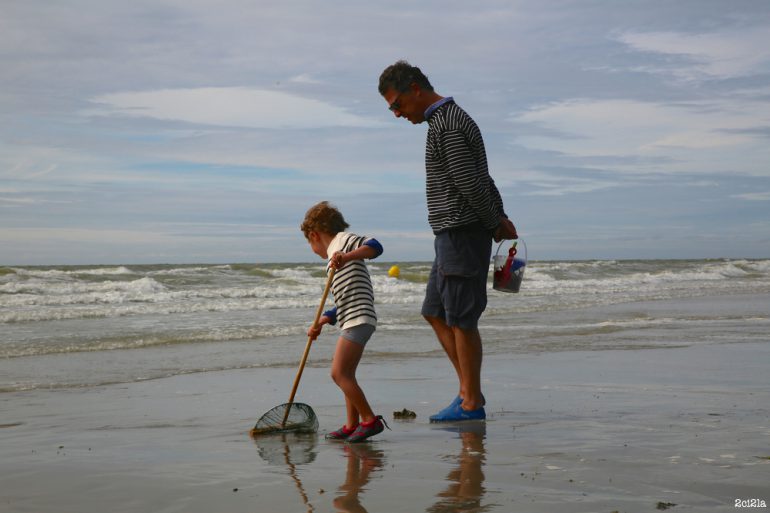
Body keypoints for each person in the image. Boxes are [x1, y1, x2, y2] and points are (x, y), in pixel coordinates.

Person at [378, 60, 517, 422]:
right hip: (451, 233)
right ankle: (470, 392)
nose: (396, 114)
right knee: (435, 312)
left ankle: (471, 403)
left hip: (462, 231)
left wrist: (493, 222)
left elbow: (471, 183)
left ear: (414, 89)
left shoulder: (450, 125)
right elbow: (481, 178)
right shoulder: (444, 122)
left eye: (396, 104)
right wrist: (498, 216)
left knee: (462, 320)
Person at [301, 201, 389, 442]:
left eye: (310, 243)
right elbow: (343, 302)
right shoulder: (333, 259)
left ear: (314, 235)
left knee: (339, 373)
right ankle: (352, 425)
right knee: (347, 373)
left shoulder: (343, 241)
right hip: (352, 316)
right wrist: (323, 320)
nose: (313, 249)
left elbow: (376, 246)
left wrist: (347, 255)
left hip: (359, 318)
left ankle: (369, 420)